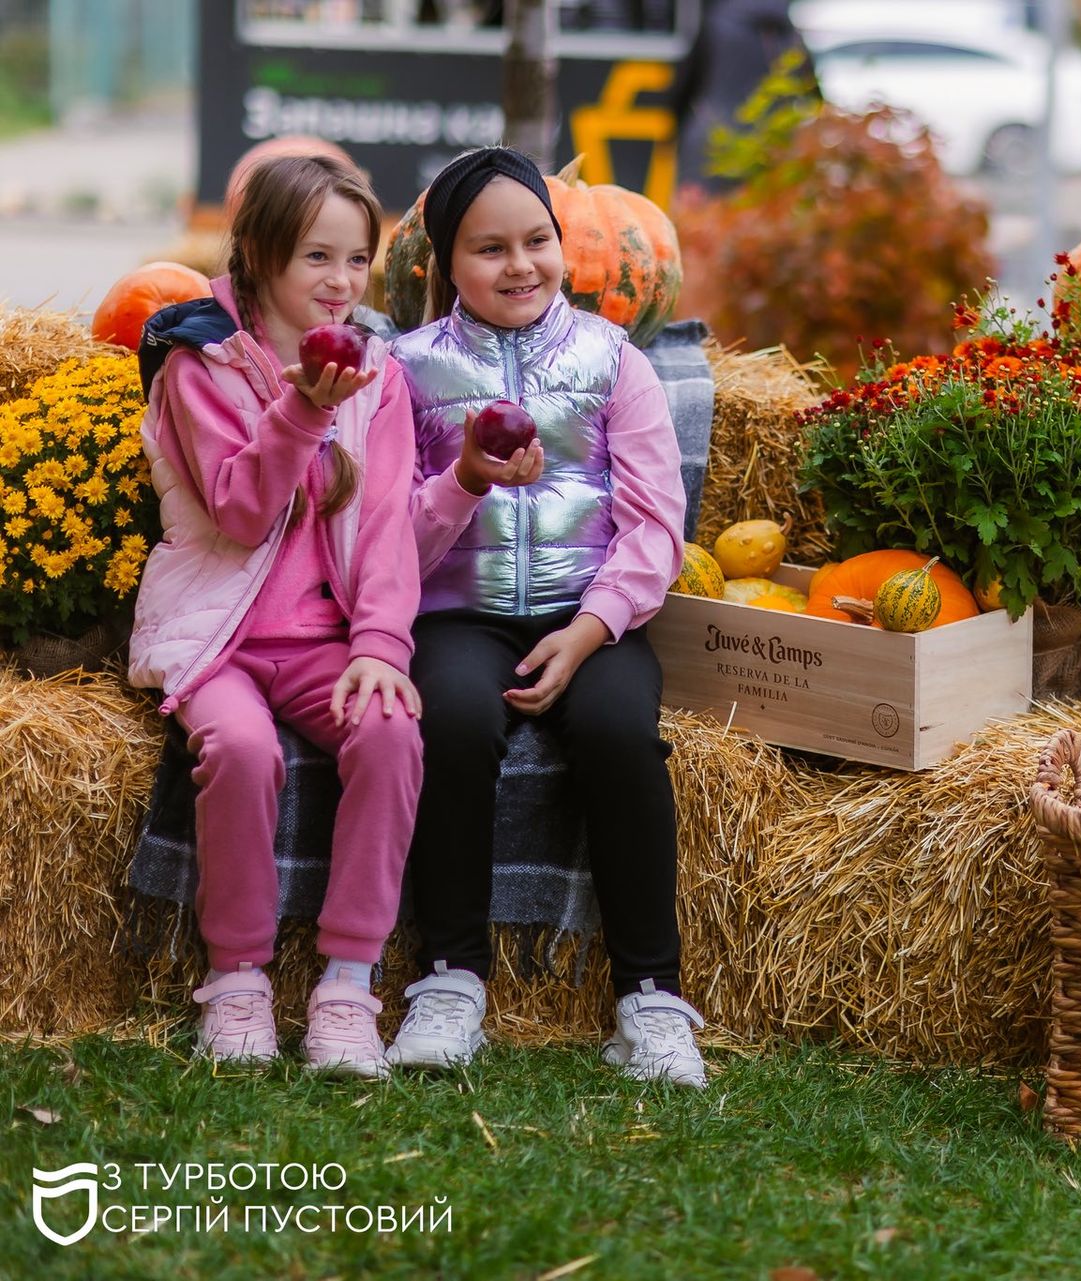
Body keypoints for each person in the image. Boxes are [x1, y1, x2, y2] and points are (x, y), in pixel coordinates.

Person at [385, 146, 704, 1087]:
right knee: (449, 720)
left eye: (537, 241)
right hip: (460, 614)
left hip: (591, 612)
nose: (520, 265)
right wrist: (464, 478)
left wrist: (593, 628)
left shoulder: (614, 362)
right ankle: (450, 979)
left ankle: (651, 996)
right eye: (490, 249)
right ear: (446, 262)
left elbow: (656, 526)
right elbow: (388, 541)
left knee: (618, 731)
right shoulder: (407, 371)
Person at [128, 153, 425, 1078]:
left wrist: (379, 646)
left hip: (320, 641)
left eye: (357, 259)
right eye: (317, 258)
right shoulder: (199, 360)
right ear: (259, 255)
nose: (342, 283)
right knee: (243, 750)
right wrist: (301, 408)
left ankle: (347, 985)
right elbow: (241, 513)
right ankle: (237, 979)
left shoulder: (377, 375)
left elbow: (388, 528)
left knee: (390, 731)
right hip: (216, 632)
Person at [666, 0, 818, 195]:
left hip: (711, 141)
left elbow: (686, 81)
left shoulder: (714, 25)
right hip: (774, 143)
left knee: (702, 211)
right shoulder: (790, 33)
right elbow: (811, 94)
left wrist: (673, 125)